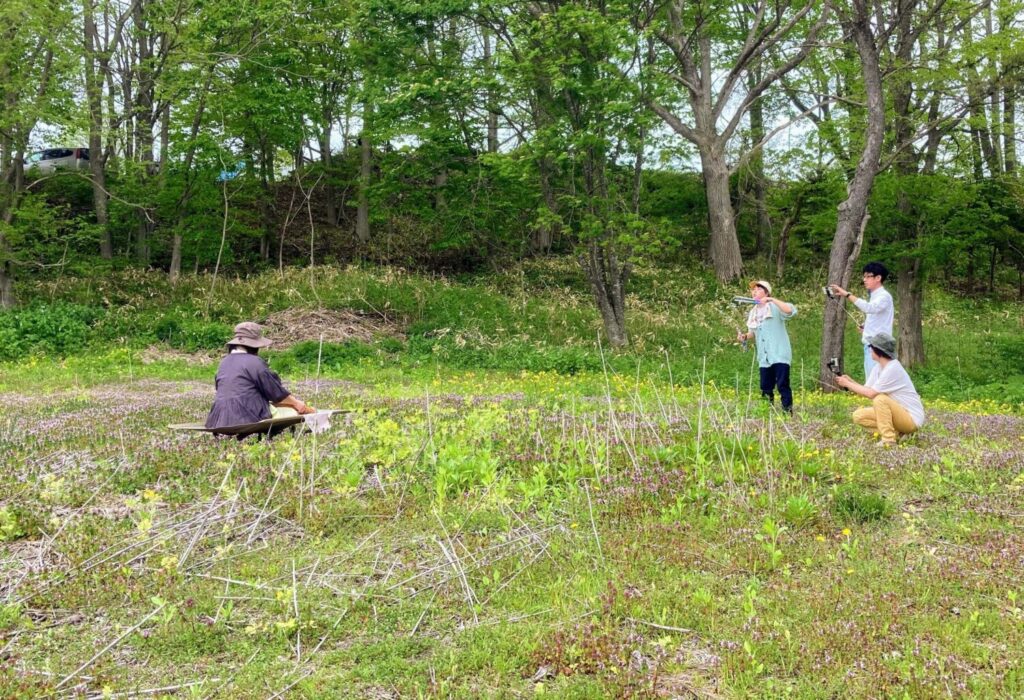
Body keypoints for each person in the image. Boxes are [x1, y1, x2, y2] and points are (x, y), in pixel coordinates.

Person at [205, 322, 315, 437]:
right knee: (292, 412)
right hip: (248, 416)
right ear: (254, 346)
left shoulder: (224, 362)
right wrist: (298, 404)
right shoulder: (255, 363)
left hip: (218, 418)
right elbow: (276, 394)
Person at [836, 332, 924, 447]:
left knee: (880, 399)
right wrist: (850, 382)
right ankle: (898, 434)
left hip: (911, 419)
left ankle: (888, 440)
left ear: (878, 351)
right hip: (898, 414)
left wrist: (848, 384)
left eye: (871, 348)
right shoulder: (878, 367)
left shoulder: (892, 368)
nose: (870, 350)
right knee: (858, 416)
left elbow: (871, 394)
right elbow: (866, 389)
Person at [736, 280, 797, 414]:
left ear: (766, 292)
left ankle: (787, 412)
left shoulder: (774, 307)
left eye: (758, 289)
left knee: (782, 385)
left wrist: (771, 299)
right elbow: (753, 332)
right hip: (764, 357)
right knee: (765, 386)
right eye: (753, 290)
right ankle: (766, 412)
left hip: (779, 353)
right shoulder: (753, 312)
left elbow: (791, 311)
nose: (754, 291)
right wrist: (745, 337)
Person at [829, 261, 894, 380]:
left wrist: (847, 294)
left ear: (878, 278)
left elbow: (869, 308)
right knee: (872, 380)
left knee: (875, 383)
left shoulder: (884, 296)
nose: (864, 280)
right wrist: (865, 327)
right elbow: (876, 318)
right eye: (864, 276)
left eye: (868, 276)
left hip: (878, 347)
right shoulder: (875, 296)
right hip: (870, 345)